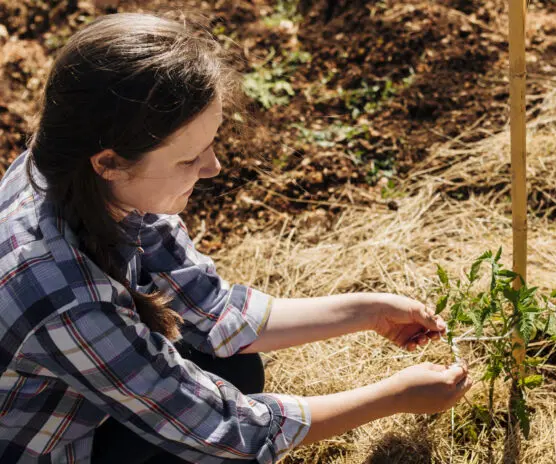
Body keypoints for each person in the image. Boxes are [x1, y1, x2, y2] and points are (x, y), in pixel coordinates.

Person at [0, 12, 473, 464]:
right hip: (42, 450)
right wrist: (393, 397)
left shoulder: (76, 174)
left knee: (234, 366)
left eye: (211, 144)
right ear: (109, 162)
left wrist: (368, 311)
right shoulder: (65, 298)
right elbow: (229, 430)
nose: (213, 168)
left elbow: (217, 310)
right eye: (189, 159)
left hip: (82, 402)